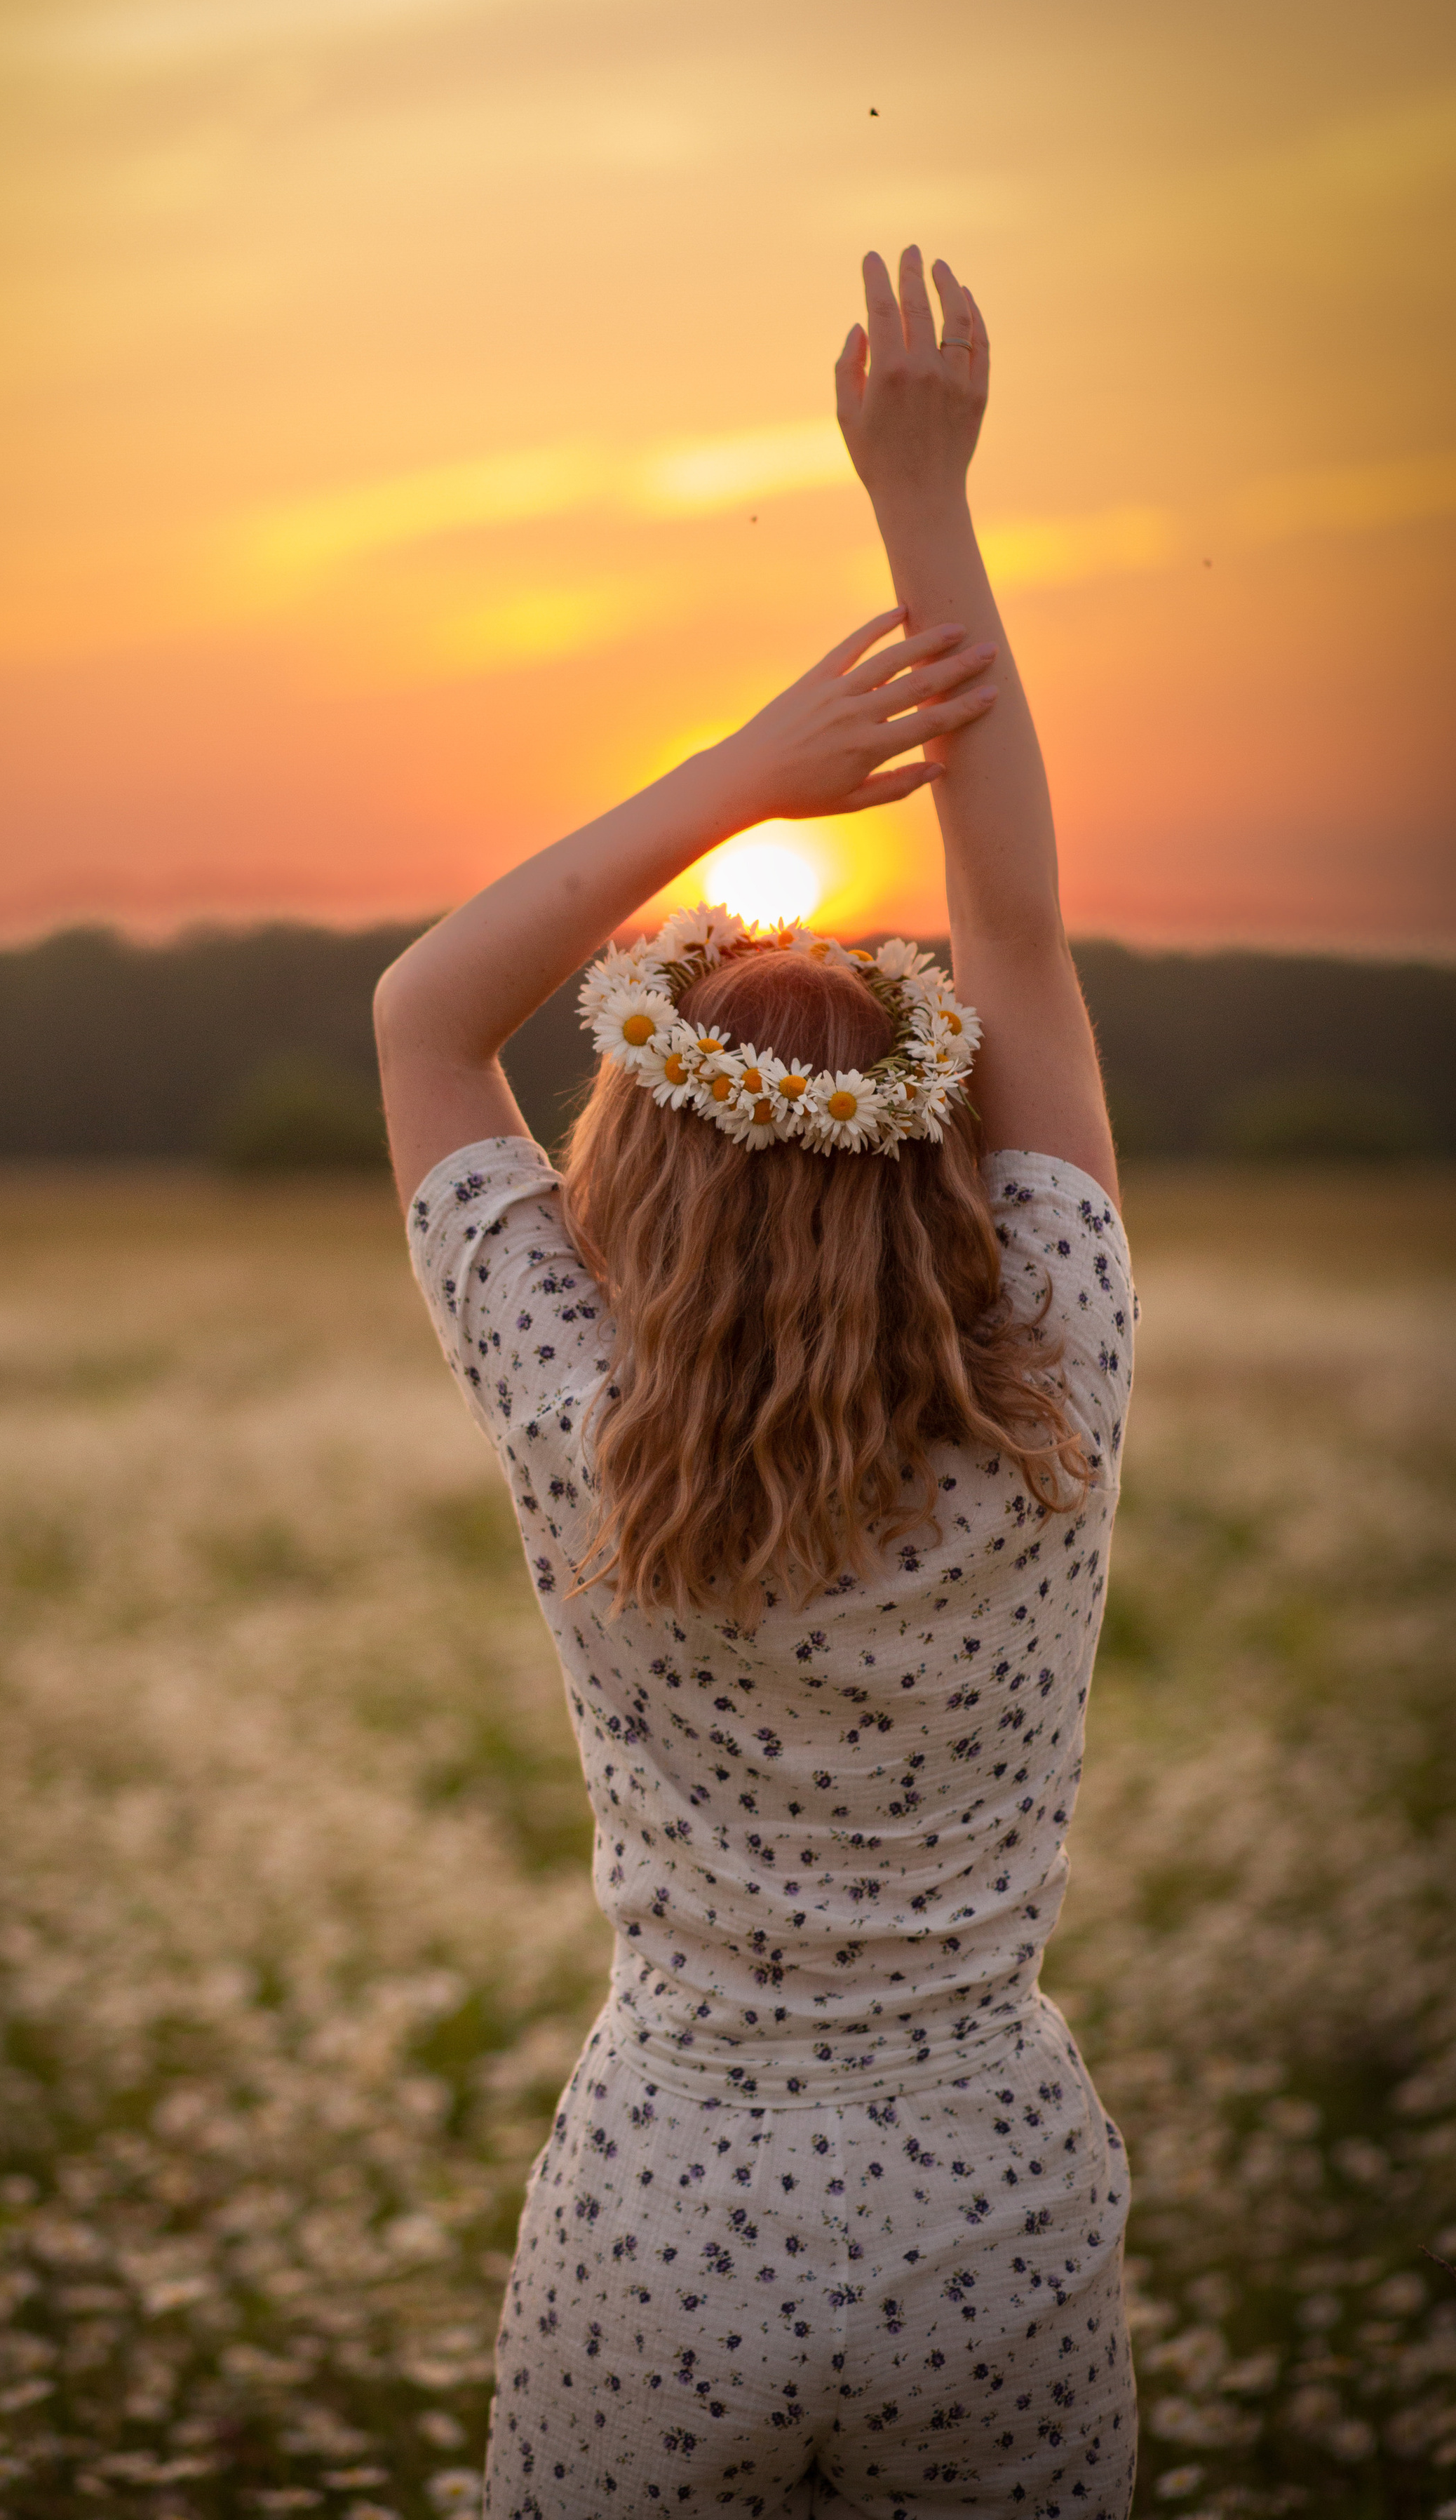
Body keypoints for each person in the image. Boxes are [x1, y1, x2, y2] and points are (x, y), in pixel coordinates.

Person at [373, 248, 1135, 2519]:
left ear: (651, 1189)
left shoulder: (587, 1424)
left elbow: (426, 1016)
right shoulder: (1059, 1382)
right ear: (938, 1163)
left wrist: (747, 774)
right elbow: (1016, 941)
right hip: (997, 2235)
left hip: (665, 2233)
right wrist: (922, 493)